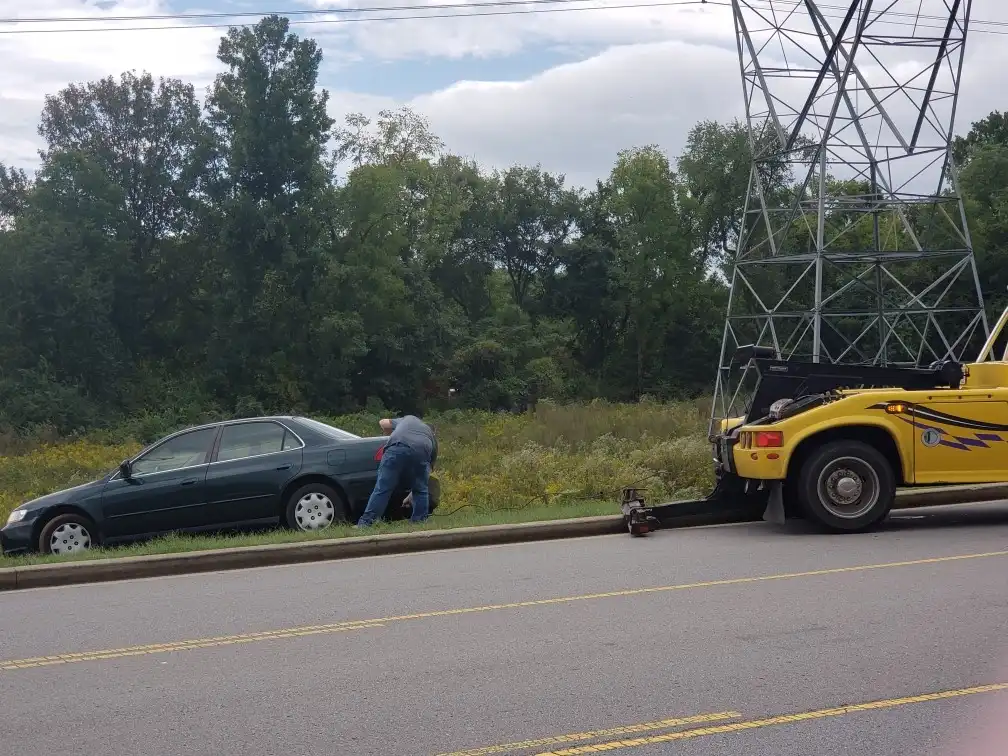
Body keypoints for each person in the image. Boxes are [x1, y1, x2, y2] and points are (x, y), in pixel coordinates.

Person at [356, 414, 438, 527]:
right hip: (422, 450)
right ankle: (419, 522)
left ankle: (367, 523)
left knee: (382, 488)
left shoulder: (408, 419)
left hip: (397, 447)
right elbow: (425, 475)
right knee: (421, 490)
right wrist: (413, 494)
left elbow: (383, 422)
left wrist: (390, 432)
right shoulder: (432, 439)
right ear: (432, 432)